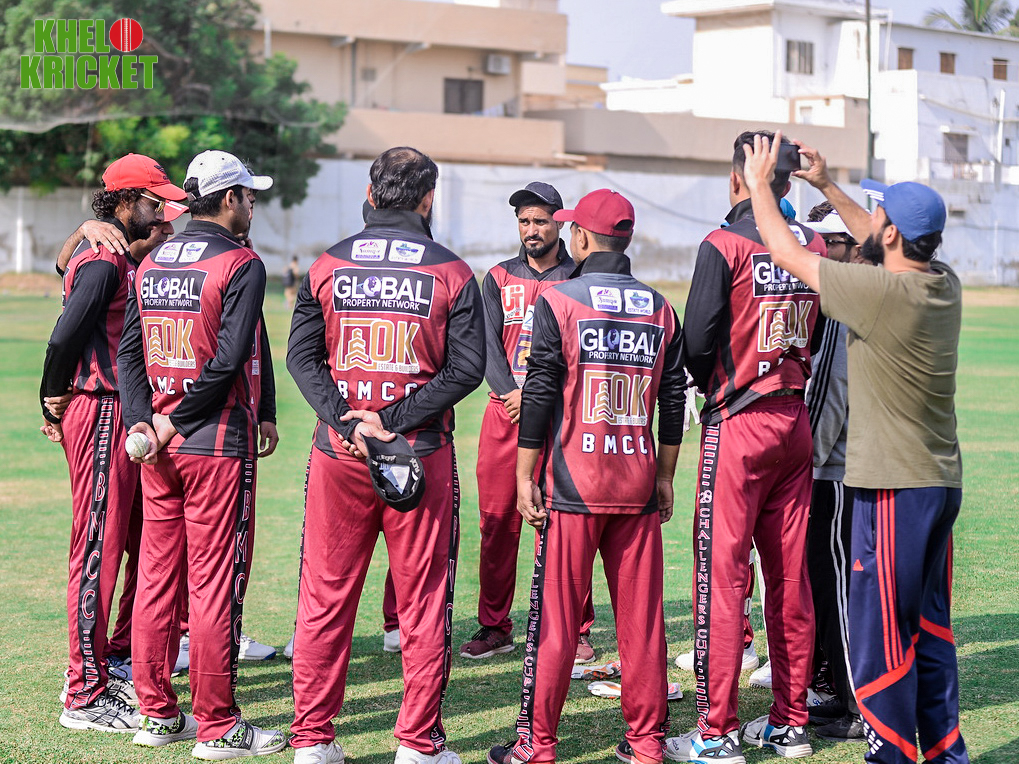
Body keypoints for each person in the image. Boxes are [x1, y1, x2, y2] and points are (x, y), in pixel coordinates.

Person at [742, 132, 968, 764]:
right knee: (928, 631)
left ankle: (889, 755)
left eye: (880, 215)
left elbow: (786, 251)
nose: (871, 222)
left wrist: (760, 185)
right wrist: (823, 184)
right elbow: (877, 236)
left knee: (879, 636)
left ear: (891, 233)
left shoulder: (879, 295)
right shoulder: (941, 283)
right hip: (937, 481)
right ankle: (945, 754)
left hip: (894, 488)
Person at [286, 146, 485, 764]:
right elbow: (467, 370)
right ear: (429, 199)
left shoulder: (326, 265)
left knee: (324, 597)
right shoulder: (453, 272)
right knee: (423, 602)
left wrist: (346, 418)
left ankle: (313, 742)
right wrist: (390, 423)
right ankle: (417, 747)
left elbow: (300, 357)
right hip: (418, 454)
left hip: (339, 452)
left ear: (370, 196)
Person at [487, 189, 687, 764]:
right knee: (642, 625)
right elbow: (674, 398)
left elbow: (539, 392)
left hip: (573, 486)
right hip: (638, 483)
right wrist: (666, 475)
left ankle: (537, 746)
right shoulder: (659, 306)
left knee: (555, 624)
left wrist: (524, 474)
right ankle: (647, 744)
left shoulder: (559, 300)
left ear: (578, 237)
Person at [118, 149, 283, 759]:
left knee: (157, 578)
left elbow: (129, 353)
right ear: (229, 198)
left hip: (159, 448)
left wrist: (145, 422)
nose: (253, 206)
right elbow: (229, 359)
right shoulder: (241, 262)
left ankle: (157, 714)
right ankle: (218, 726)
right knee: (213, 584)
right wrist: (173, 422)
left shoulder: (153, 259)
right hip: (212, 442)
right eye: (249, 196)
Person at [665, 131, 823, 762]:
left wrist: (719, 386)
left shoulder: (723, 243)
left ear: (738, 178)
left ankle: (717, 732)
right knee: (790, 578)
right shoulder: (811, 245)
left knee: (722, 578)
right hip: (795, 419)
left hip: (738, 422)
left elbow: (696, 344)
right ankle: (790, 723)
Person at [40, 153, 187, 734]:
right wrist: (51, 397)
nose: (163, 215)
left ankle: (112, 662)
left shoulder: (111, 252)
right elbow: (64, 337)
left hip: (115, 412)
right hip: (100, 409)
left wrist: (82, 229)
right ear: (125, 201)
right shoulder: (105, 261)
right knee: (97, 549)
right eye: (154, 202)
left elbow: (61, 267)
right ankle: (83, 692)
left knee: (133, 540)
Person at [463, 181, 597, 664]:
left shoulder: (580, 277)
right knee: (497, 522)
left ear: (560, 224)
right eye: (524, 221)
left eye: (540, 221)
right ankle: (494, 626)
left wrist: (542, 397)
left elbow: (585, 349)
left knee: (564, 524)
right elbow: (485, 346)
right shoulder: (498, 277)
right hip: (506, 412)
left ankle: (574, 629)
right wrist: (512, 393)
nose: (531, 230)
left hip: (561, 416)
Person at [798, 202, 866, 742]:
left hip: (836, 470)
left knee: (838, 587)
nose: (820, 251)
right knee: (833, 584)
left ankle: (857, 705)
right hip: (854, 465)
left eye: (830, 243)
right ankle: (844, 694)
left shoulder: (844, 302)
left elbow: (829, 390)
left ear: (854, 248)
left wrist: (808, 461)